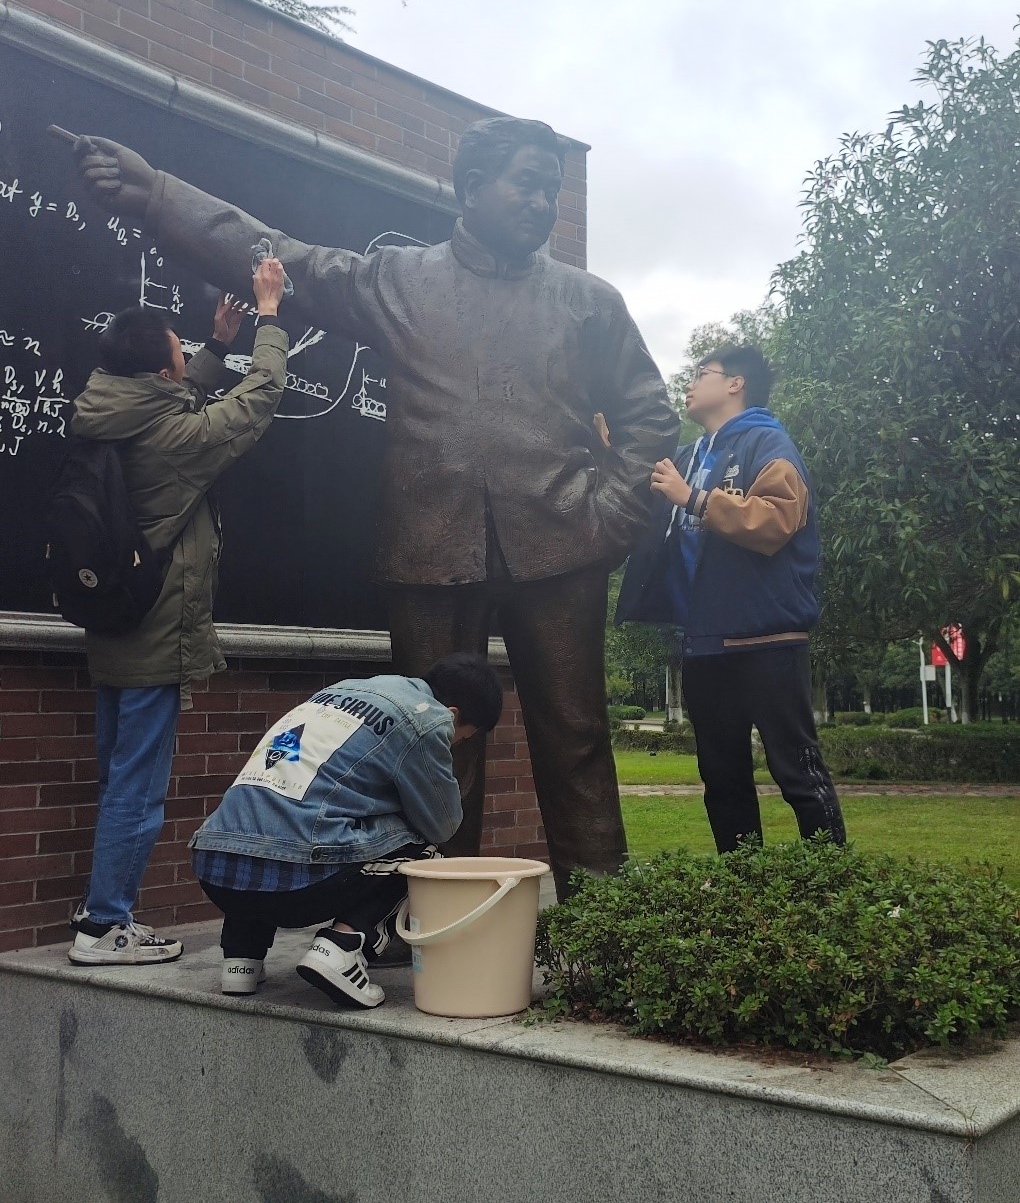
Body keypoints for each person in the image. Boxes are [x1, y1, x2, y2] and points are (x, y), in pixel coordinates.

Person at [72, 117, 679, 899]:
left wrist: (611, 518)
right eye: (527, 183)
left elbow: (648, 417)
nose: (543, 203)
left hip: (566, 541)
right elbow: (280, 257)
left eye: (551, 190)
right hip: (430, 545)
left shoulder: (589, 301)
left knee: (578, 737)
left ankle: (606, 923)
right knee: (428, 740)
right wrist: (156, 194)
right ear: (472, 188)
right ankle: (440, 918)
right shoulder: (403, 279)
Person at [68, 258, 290, 966]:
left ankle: (100, 911)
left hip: (113, 623)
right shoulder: (175, 440)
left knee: (118, 776)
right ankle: (106, 926)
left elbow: (174, 398)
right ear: (161, 371)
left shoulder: (107, 412)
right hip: (157, 628)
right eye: (178, 350)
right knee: (138, 788)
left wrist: (216, 344)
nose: (182, 360)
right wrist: (268, 316)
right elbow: (258, 399)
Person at [617, 344, 846, 854]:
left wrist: (695, 499)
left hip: (768, 639)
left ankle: (832, 884)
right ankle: (743, 887)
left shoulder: (768, 443)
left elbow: (777, 520)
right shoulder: (689, 456)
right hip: (703, 643)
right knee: (722, 780)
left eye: (702, 373)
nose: (690, 383)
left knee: (797, 771)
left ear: (735, 383)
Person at [189, 653, 504, 1008]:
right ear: (454, 714)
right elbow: (442, 824)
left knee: (269, 813)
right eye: (463, 738)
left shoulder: (336, 692)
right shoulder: (427, 719)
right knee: (424, 854)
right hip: (298, 882)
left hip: (215, 869)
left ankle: (241, 958)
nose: (456, 743)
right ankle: (341, 949)